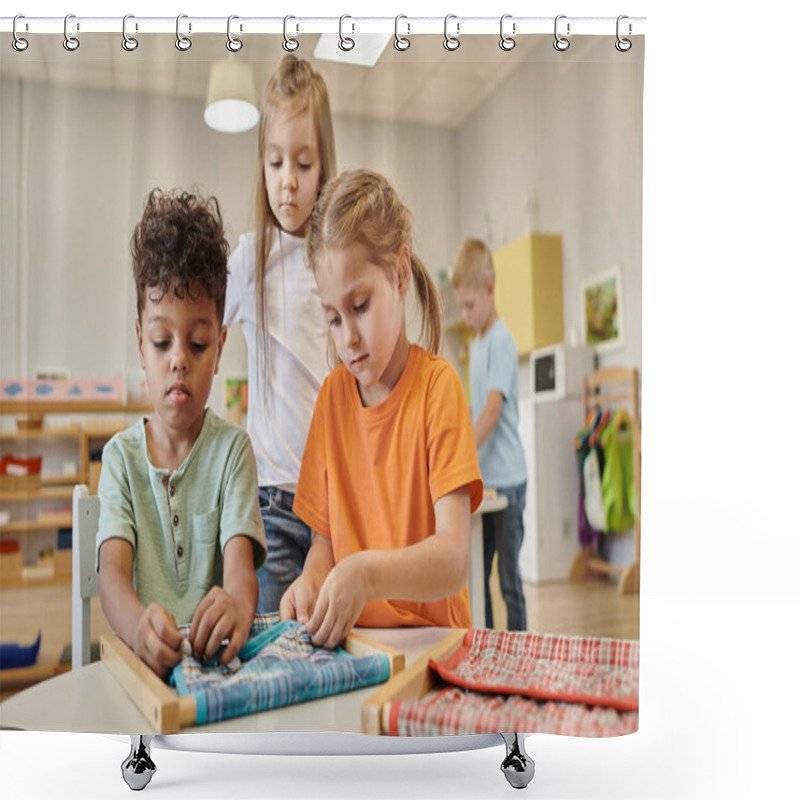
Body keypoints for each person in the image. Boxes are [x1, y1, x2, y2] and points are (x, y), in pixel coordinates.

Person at [280, 169, 484, 649]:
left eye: (360, 306)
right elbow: (324, 545)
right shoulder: (331, 401)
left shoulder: (438, 389)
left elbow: (454, 560)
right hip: (359, 651)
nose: (347, 337)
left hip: (437, 651)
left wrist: (367, 575)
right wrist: (311, 581)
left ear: (399, 272)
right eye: (333, 317)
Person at [97, 189, 267, 678]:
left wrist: (236, 604)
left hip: (214, 674)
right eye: (161, 341)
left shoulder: (233, 452)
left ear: (219, 346)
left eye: (197, 343)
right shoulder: (120, 461)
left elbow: (241, 574)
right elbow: (112, 576)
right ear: (139, 342)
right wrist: (137, 626)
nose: (179, 360)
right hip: (141, 672)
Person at [224, 54, 336, 614]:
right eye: (275, 162)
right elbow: (201, 333)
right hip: (267, 499)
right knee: (274, 642)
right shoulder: (249, 260)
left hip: (327, 504)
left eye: (304, 163)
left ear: (324, 168)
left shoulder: (330, 263)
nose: (288, 181)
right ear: (262, 166)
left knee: (322, 639)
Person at [450, 238, 528, 631]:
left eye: (469, 305)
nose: (465, 314)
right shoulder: (477, 344)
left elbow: (492, 412)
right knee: (478, 574)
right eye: (460, 306)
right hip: (487, 484)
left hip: (509, 482)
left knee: (509, 581)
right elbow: (473, 408)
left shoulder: (501, 340)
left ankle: (520, 652)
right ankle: (483, 646)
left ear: (490, 289)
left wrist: (462, 450)